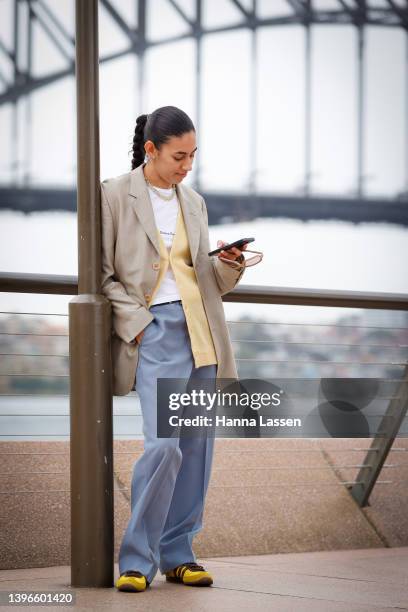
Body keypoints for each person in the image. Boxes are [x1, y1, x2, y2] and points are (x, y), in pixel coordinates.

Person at [100, 105, 249, 593]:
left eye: (193, 155)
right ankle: (136, 559)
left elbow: (205, 280)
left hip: (200, 331)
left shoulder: (195, 203)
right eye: (179, 156)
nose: (188, 166)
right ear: (151, 150)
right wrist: (138, 323)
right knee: (164, 446)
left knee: (195, 449)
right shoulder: (114, 195)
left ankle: (180, 554)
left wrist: (228, 264)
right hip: (155, 331)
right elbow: (102, 276)